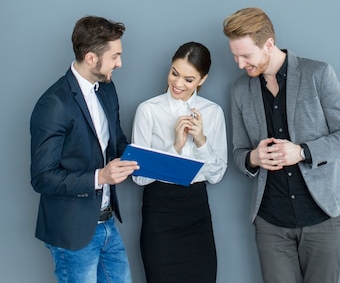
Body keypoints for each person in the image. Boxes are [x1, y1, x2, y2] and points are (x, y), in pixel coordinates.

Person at [223, 7, 340, 283]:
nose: (240, 64)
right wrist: (254, 158)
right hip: (270, 221)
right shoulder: (240, 90)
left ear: (269, 44)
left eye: (246, 56)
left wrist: (302, 152)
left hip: (322, 214)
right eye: (235, 56)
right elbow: (238, 154)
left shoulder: (317, 73)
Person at [30, 15, 139, 283]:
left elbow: (118, 143)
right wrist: (100, 177)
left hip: (108, 225)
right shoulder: (53, 104)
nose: (120, 63)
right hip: (72, 232)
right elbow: (42, 177)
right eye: (115, 56)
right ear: (91, 58)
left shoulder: (107, 89)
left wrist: (149, 156)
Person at [131, 41, 227, 283]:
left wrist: (202, 140)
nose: (178, 83)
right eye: (175, 73)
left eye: (188, 79)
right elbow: (139, 177)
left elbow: (216, 176)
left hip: (196, 211)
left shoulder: (213, 112)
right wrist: (175, 146)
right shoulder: (148, 110)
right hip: (159, 211)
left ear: (202, 80)